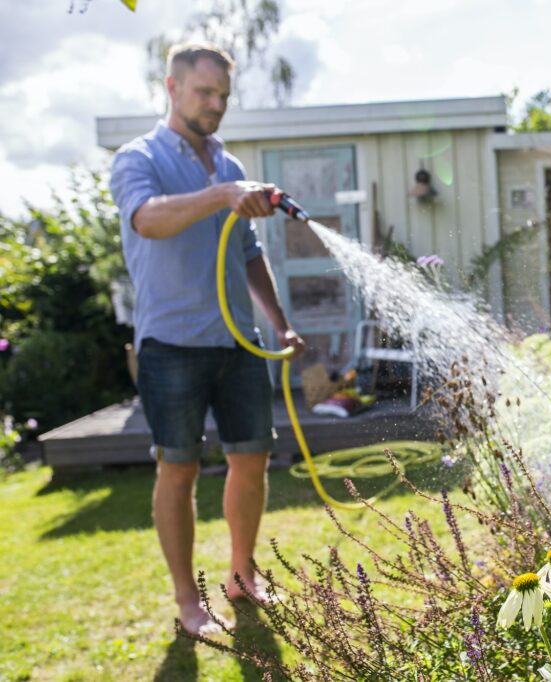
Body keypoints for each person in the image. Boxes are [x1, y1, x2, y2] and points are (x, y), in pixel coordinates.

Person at [109, 42, 305, 636]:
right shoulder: (136, 158)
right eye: (204, 92)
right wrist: (220, 197)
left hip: (238, 342)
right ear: (170, 86)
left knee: (252, 461)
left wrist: (278, 320)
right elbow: (148, 219)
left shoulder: (230, 165)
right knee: (179, 472)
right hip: (171, 344)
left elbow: (248, 252)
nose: (216, 104)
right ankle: (188, 602)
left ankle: (242, 576)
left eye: (223, 95)